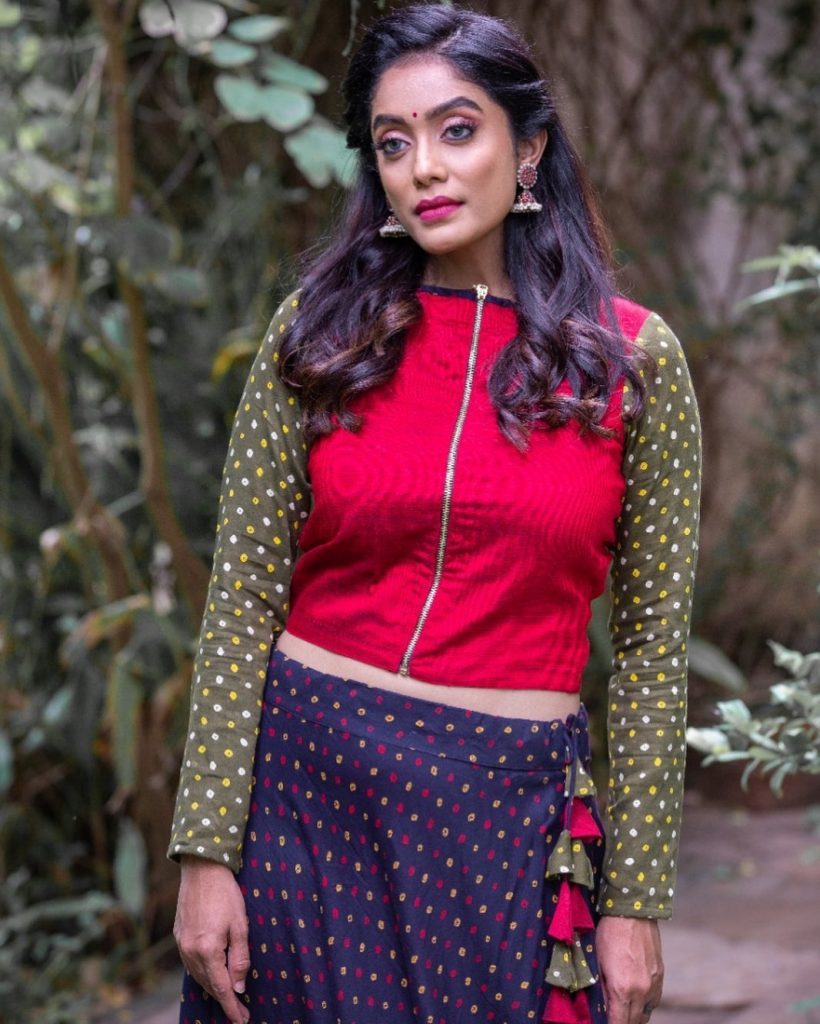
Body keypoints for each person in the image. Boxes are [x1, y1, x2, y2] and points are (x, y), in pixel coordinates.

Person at [169, 6, 700, 1024]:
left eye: (457, 130)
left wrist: (633, 902)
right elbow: (241, 598)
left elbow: (649, 650)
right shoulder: (321, 334)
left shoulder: (631, 363)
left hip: (501, 824)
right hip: (305, 804)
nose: (424, 168)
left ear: (527, 147)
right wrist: (205, 850)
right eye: (392, 142)